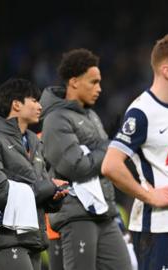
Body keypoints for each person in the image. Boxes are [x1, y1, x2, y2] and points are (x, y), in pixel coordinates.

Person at [101, 34, 168, 270]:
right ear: (167, 70)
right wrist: (150, 196)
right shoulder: (141, 113)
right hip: (158, 228)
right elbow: (110, 165)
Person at [40, 48, 132, 270]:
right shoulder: (55, 120)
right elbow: (77, 167)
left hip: (104, 213)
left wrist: (99, 150)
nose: (99, 88)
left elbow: (95, 160)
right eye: (93, 82)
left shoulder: (90, 115)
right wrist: (109, 147)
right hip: (77, 214)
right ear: (74, 82)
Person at [0, 78, 68, 270]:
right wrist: (47, 187)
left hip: (33, 237)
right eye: (34, 100)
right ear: (16, 104)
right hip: (6, 237)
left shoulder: (35, 143)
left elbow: (39, 191)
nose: (40, 106)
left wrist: (54, 196)